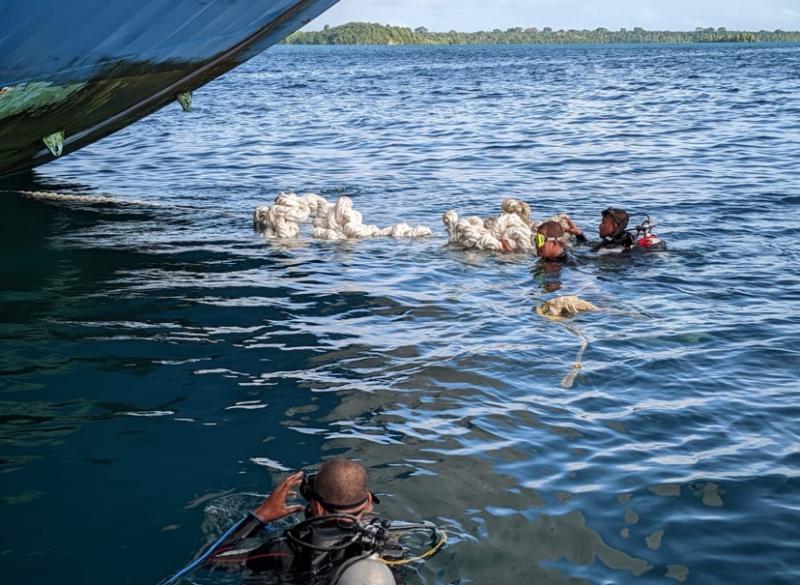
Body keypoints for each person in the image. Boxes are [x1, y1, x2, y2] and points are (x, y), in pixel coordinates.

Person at [202, 458, 397, 585]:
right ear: (369, 502)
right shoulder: (385, 541)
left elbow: (212, 562)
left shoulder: (289, 549)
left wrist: (259, 516)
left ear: (318, 507)